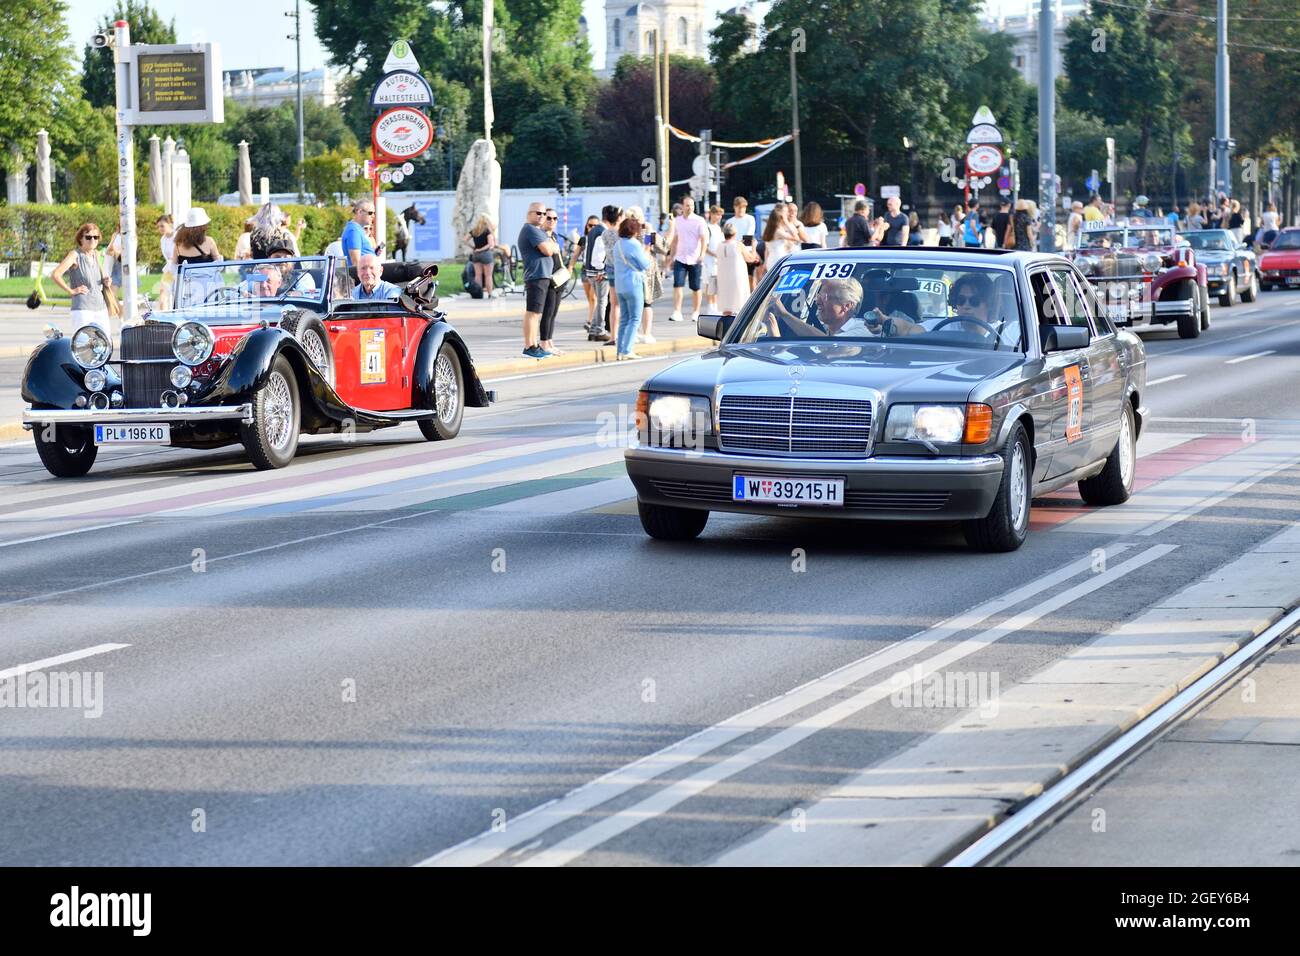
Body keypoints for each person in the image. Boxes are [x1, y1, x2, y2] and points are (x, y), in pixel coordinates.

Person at [51, 222, 113, 336]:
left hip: (100, 307)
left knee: (105, 343)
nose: (92, 240)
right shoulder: (75, 255)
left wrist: (106, 281)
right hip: (82, 309)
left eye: (96, 237)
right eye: (88, 237)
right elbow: (55, 274)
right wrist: (71, 291)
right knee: (82, 344)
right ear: (81, 239)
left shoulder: (97, 255)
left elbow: (101, 277)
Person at [518, 201, 559, 359]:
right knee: (533, 313)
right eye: (539, 213)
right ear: (530, 214)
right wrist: (551, 247)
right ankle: (530, 346)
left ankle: (534, 345)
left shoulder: (537, 230)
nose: (542, 216)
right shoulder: (529, 229)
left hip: (542, 276)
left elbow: (554, 247)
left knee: (536, 313)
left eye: (544, 214)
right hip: (536, 276)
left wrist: (552, 246)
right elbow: (549, 250)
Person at [624, 205, 668, 344]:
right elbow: (659, 248)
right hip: (642, 271)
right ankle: (644, 333)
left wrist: (651, 233)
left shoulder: (642, 231)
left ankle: (641, 333)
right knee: (645, 303)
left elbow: (663, 248)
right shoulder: (644, 231)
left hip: (635, 271)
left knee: (640, 303)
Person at [610, 216, 650, 359]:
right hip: (634, 284)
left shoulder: (618, 244)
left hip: (620, 285)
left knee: (624, 319)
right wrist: (647, 248)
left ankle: (620, 351)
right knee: (634, 319)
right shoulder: (634, 244)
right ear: (634, 230)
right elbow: (645, 264)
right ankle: (627, 350)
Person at [668, 195, 707, 323]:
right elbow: (674, 240)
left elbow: (704, 239)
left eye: (691, 205)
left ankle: (696, 312)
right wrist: (671, 256)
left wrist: (702, 254)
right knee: (677, 285)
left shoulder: (699, 220)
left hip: (695, 258)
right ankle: (677, 311)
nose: (689, 207)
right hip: (680, 257)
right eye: (687, 205)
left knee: (695, 287)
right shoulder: (677, 221)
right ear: (682, 207)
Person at [585, 205, 617, 342]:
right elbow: (599, 253)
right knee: (603, 301)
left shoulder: (594, 230)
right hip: (598, 271)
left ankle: (594, 329)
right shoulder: (602, 231)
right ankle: (598, 330)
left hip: (591, 271)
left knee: (600, 300)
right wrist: (602, 270)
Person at [715, 221, 756, 315]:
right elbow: (750, 259)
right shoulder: (738, 245)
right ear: (735, 233)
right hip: (737, 277)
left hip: (723, 278)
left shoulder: (719, 245)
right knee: (739, 302)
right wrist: (754, 247)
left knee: (726, 305)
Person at [576, 215, 601, 335]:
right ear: (587, 226)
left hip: (596, 271)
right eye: (591, 225)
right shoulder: (583, 239)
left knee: (593, 297)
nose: (593, 228)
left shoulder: (601, 238)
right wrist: (570, 266)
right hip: (585, 270)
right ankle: (592, 319)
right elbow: (576, 254)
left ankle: (590, 321)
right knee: (590, 298)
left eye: (596, 225)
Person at [726, 196, 758, 291]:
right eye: (739, 207)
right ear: (734, 207)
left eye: (743, 207)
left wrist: (739, 245)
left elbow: (748, 236)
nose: (741, 209)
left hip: (747, 252)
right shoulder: (729, 221)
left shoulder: (750, 219)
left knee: (750, 278)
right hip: (734, 254)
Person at [465, 214, 497, 297]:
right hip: (486, 254)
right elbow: (491, 244)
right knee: (488, 275)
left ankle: (478, 294)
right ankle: (490, 294)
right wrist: (482, 249)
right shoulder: (487, 231)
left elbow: (465, 239)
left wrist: (474, 247)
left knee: (478, 275)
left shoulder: (474, 231)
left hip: (476, 255)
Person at [702, 204, 725, 312]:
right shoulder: (707, 228)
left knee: (716, 284)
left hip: (718, 261)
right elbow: (705, 247)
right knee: (710, 284)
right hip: (709, 260)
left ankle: (715, 305)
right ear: (711, 214)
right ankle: (711, 306)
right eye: (717, 214)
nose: (719, 217)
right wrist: (715, 254)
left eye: (720, 215)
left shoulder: (718, 228)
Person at [342, 199, 376, 269]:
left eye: (374, 213)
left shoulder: (358, 229)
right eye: (370, 213)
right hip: (365, 277)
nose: (373, 216)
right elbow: (356, 263)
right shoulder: (353, 231)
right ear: (360, 212)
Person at [155, 214, 177, 310]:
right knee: (162, 294)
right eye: (159, 226)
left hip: (178, 269)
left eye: (162, 226)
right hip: (169, 269)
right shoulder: (162, 239)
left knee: (178, 294)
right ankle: (164, 319)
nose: (160, 228)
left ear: (170, 224)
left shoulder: (177, 236)